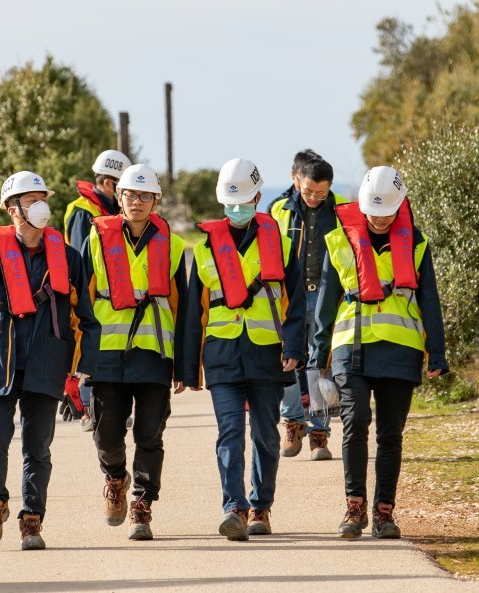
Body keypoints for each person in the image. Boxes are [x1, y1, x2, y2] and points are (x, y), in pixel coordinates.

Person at [310, 166, 449, 540]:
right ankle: (354, 507)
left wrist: (437, 351)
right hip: (350, 349)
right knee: (355, 424)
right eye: (372, 211)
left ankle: (384, 512)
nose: (379, 218)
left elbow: (430, 300)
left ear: (400, 205)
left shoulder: (416, 243)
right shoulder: (340, 240)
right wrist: (315, 357)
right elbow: (325, 302)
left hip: (400, 351)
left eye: (387, 211)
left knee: (391, 434)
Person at [0, 171, 100, 551]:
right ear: (13, 210)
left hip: (47, 362)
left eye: (43, 198)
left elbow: (88, 319)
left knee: (37, 446)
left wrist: (83, 365)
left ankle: (31, 518)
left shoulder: (70, 258)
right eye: (31, 200)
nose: (41, 206)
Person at [182, 158, 305, 541]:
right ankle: (233, 508)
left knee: (266, 435)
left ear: (257, 196)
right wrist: (187, 370)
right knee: (230, 432)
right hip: (222, 355)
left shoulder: (281, 245)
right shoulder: (204, 250)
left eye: (243, 202)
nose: (236, 210)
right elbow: (191, 314)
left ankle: (261, 507)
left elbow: (297, 302)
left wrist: (295, 347)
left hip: (268, 353)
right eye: (229, 204)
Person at [79, 163, 187, 541]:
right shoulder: (95, 239)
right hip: (107, 352)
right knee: (106, 434)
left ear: (155, 200)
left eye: (144, 195)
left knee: (149, 434)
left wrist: (186, 366)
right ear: (118, 197)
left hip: (155, 350)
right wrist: (78, 361)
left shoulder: (173, 245)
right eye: (129, 194)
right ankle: (114, 478)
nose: (136, 202)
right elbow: (82, 300)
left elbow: (184, 306)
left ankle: (142, 504)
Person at [269, 156, 349, 461]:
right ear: (296, 181)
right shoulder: (279, 209)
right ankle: (292, 423)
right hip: (290, 295)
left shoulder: (342, 209)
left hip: (326, 295)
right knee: (288, 358)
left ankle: (319, 431)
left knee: (320, 360)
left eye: (321, 193)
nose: (314, 198)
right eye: (308, 191)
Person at [64, 149, 133, 432]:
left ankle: (98, 407)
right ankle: (87, 409)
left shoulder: (105, 210)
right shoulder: (84, 211)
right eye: (122, 189)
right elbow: (84, 261)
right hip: (89, 293)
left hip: (108, 294)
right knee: (89, 345)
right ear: (108, 184)